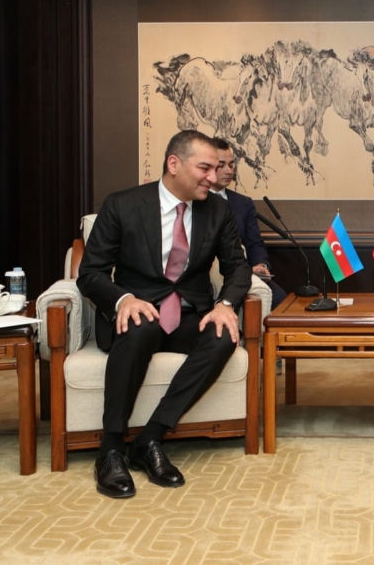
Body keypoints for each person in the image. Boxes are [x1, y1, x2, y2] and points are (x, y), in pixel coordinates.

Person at [77, 130, 253, 499]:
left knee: (223, 336)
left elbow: (237, 267)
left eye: (216, 168)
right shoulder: (122, 205)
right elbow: (90, 273)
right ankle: (111, 449)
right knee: (140, 327)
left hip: (188, 315)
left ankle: (151, 437)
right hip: (136, 314)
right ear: (174, 164)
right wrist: (123, 299)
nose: (213, 177)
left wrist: (224, 305)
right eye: (204, 168)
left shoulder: (218, 210)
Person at [209, 138, 287, 309]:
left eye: (231, 165)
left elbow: (254, 242)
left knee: (280, 300)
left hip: (241, 271)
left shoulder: (243, 203)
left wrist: (260, 264)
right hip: (207, 274)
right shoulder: (194, 200)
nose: (228, 170)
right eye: (221, 165)